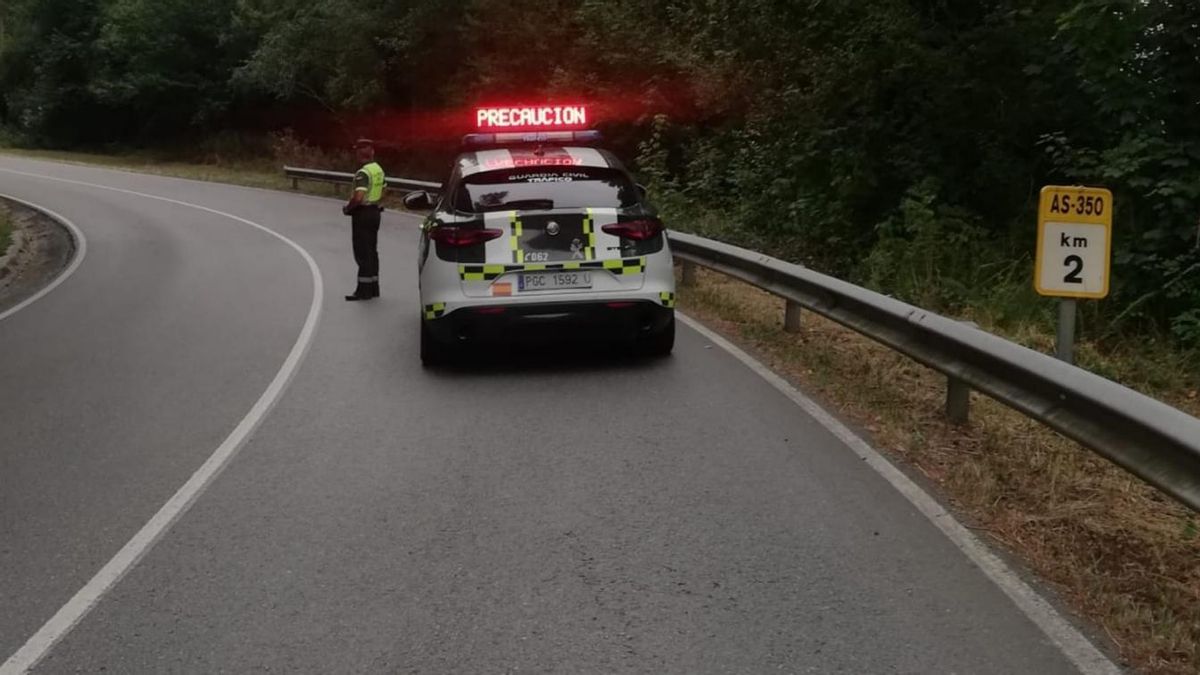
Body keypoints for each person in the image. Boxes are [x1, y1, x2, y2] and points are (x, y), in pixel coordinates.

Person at [342, 138, 386, 301]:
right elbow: (385, 188)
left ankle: (363, 291)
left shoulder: (363, 173)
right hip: (375, 211)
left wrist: (349, 208)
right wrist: (376, 202)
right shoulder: (378, 169)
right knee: (372, 251)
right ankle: (374, 288)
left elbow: (359, 196)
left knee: (362, 252)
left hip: (363, 214)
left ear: (359, 153)